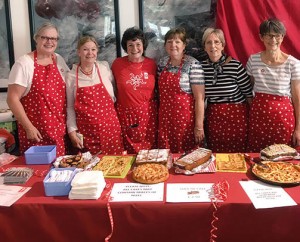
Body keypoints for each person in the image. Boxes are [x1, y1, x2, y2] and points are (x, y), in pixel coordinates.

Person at [7, 22, 69, 156]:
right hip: (36, 133)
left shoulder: (59, 60)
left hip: (59, 130)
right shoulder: (24, 63)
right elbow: (12, 99)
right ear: (36, 38)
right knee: (38, 172)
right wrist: (28, 127)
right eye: (45, 37)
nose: (49, 42)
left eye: (53, 38)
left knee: (61, 172)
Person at [246, 18, 300, 152]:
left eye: (277, 35)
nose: (273, 40)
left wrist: (299, 127)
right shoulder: (253, 60)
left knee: (282, 159)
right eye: (269, 35)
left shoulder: (293, 64)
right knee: (257, 158)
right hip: (259, 117)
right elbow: (250, 87)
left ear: (282, 37)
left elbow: (297, 98)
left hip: (283, 119)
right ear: (261, 37)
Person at [66, 35, 123, 155]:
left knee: (115, 165)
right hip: (86, 133)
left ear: (97, 51)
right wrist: (72, 131)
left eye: (93, 49)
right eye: (85, 49)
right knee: (90, 168)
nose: (90, 53)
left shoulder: (104, 69)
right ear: (78, 52)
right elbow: (70, 107)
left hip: (110, 129)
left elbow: (115, 95)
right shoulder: (71, 76)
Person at [201, 28, 253, 152]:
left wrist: (253, 119)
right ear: (204, 47)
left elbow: (248, 95)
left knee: (237, 154)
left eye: (216, 42)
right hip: (214, 117)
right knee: (217, 153)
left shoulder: (235, 66)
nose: (213, 46)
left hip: (236, 116)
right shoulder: (201, 67)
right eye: (208, 42)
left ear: (223, 45)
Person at [157, 27, 205, 153]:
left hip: (185, 123)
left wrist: (199, 126)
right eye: (169, 41)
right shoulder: (162, 63)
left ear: (184, 45)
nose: (173, 45)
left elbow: (199, 98)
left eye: (177, 42)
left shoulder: (193, 64)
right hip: (165, 122)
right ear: (165, 45)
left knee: (186, 159)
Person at [111, 27, 158, 154]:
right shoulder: (117, 64)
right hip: (125, 115)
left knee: (149, 154)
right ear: (125, 47)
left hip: (148, 116)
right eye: (130, 45)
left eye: (138, 44)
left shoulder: (152, 64)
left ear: (143, 45)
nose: (134, 49)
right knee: (128, 154)